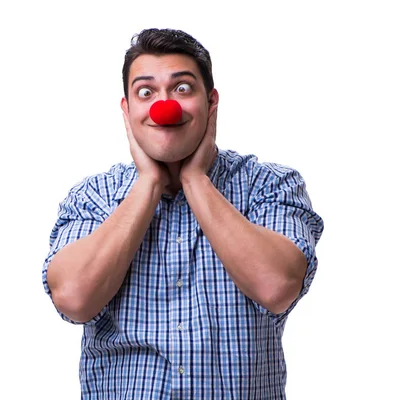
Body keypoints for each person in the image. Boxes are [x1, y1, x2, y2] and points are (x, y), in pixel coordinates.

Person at [42, 28, 324, 399]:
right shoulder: (92, 196)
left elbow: (277, 287)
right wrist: (149, 183)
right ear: (127, 110)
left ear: (211, 103)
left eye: (182, 89)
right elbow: (75, 299)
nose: (165, 105)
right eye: (146, 92)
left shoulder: (271, 186)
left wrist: (195, 179)